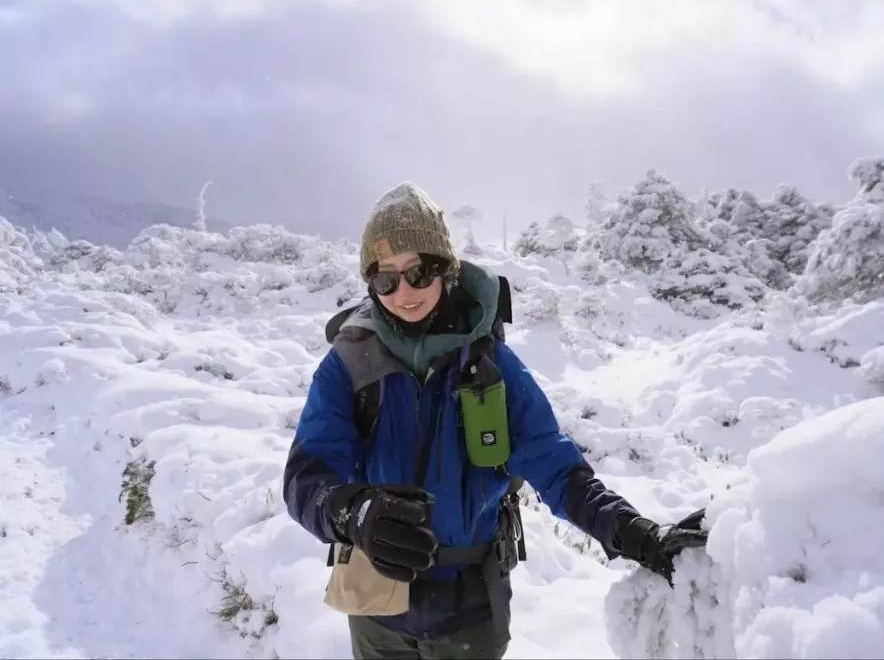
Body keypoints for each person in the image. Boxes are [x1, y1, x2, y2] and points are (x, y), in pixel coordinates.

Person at [282, 182, 708, 660]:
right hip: (376, 604)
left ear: (446, 270)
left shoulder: (489, 366)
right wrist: (352, 512)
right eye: (386, 279)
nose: (404, 292)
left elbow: (558, 469)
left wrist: (634, 532)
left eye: (419, 273)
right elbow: (306, 476)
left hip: (471, 608)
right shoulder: (348, 365)